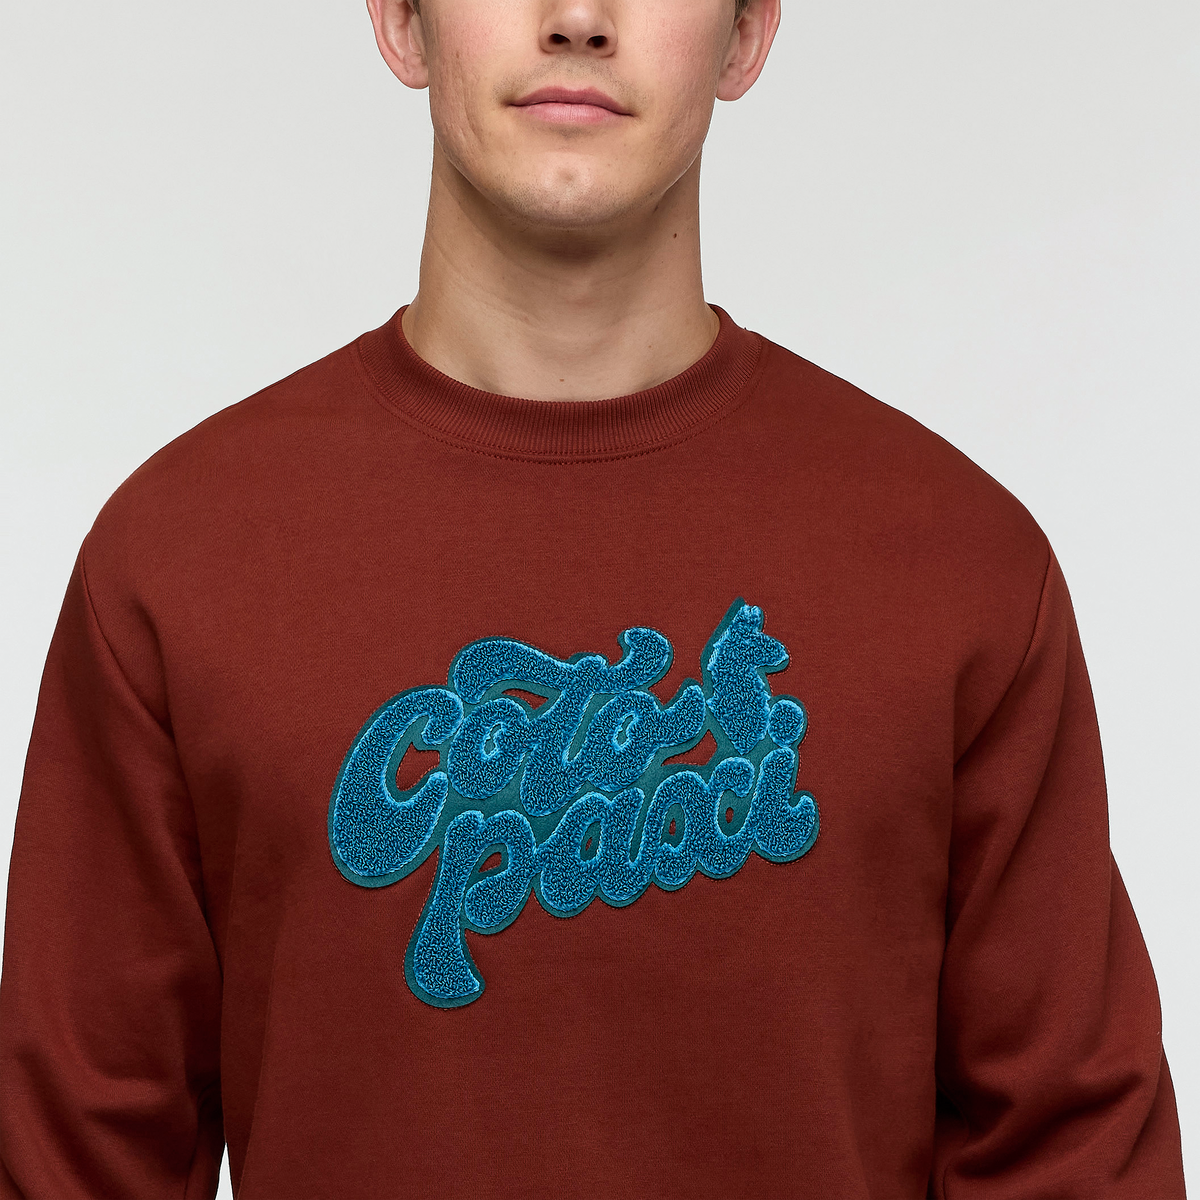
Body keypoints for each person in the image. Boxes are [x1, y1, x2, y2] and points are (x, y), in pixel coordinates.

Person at [0, 0, 1185, 1195]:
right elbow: (72, 1163)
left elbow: (1075, 1157)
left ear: (745, 36)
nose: (576, 17)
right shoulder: (182, 558)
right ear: (402, 22)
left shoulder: (960, 568)